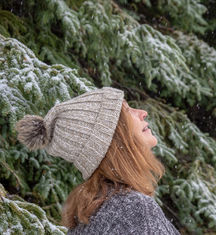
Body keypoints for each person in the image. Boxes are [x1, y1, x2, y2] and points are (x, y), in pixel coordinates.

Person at [14, 87, 181, 234]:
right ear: (114, 137)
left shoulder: (94, 213)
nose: (142, 113)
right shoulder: (133, 209)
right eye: (128, 110)